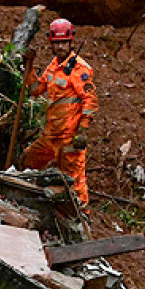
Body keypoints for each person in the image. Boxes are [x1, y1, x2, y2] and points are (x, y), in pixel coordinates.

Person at [22, 17, 98, 207]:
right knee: (29, 161)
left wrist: (83, 130)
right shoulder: (54, 67)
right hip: (51, 135)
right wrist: (29, 66)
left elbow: (90, 100)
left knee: (75, 180)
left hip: (69, 137)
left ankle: (82, 217)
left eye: (64, 42)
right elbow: (35, 90)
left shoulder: (80, 69)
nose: (61, 47)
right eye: (57, 43)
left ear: (71, 42)